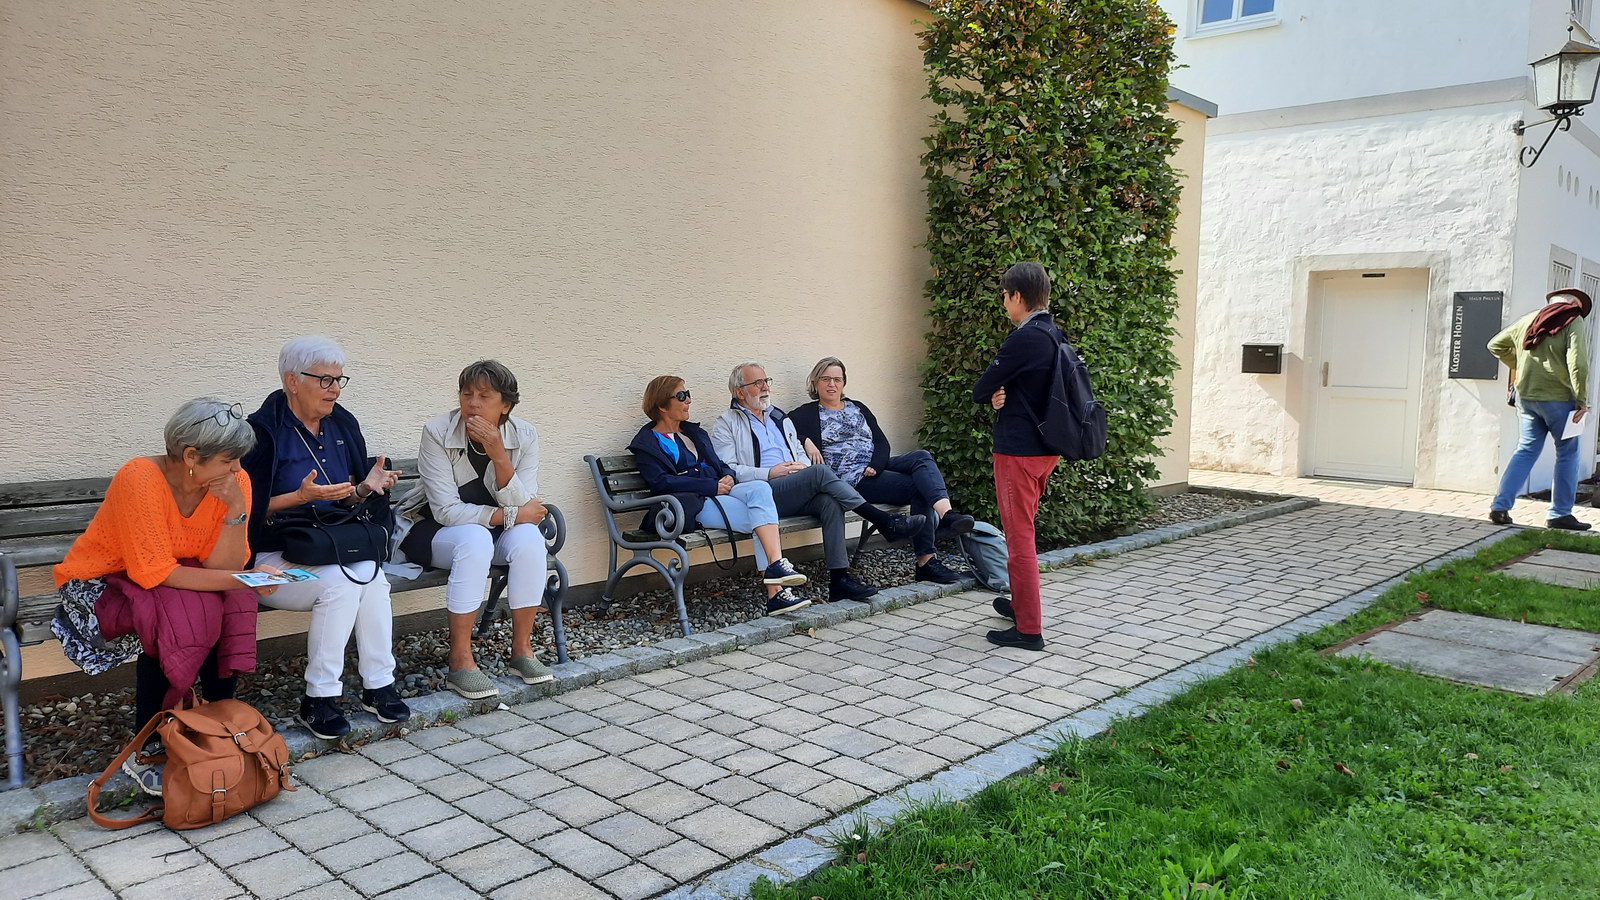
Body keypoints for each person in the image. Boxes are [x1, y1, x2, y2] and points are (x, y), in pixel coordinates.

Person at [53, 397, 281, 795]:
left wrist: (237, 509)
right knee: (182, 612)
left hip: (168, 576)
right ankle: (145, 747)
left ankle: (217, 724)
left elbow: (223, 565)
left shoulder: (234, 484)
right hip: (100, 583)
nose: (237, 469)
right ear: (191, 455)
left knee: (232, 600)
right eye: (229, 460)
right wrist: (241, 579)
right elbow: (153, 572)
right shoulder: (140, 477)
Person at [242, 336, 411, 740]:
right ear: (292, 381)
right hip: (272, 560)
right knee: (341, 585)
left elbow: (346, 498)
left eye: (338, 379)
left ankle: (379, 685)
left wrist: (365, 488)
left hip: (331, 545)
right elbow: (242, 510)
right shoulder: (261, 433)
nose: (335, 389)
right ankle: (319, 698)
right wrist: (298, 498)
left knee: (372, 576)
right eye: (325, 380)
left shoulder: (342, 423)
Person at [396, 360, 553, 699]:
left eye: (484, 396)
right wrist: (511, 516)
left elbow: (525, 503)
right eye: (466, 394)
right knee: (476, 537)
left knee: (529, 539)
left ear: (505, 405)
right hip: (432, 530)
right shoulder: (438, 431)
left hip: (492, 531)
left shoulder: (524, 435)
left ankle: (522, 651)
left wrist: (499, 454)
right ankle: (460, 661)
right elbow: (445, 510)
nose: (472, 404)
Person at [710, 363, 926, 603]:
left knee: (829, 502)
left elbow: (799, 451)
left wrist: (802, 467)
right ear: (739, 392)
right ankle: (883, 521)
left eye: (766, 381)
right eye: (757, 383)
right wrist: (769, 472)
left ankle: (839, 581)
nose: (765, 387)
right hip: (763, 492)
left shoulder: (779, 417)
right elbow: (728, 469)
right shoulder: (726, 423)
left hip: (793, 486)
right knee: (821, 472)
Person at [629, 376, 811, 614]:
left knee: (760, 489)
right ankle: (775, 594)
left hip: (721, 492)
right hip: (692, 503)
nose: (688, 400)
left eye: (688, 394)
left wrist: (728, 476)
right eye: (681, 396)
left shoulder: (694, 433)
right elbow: (661, 482)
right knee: (761, 519)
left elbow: (720, 464)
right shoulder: (647, 443)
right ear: (662, 405)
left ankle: (776, 566)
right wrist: (711, 486)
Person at [790, 357, 976, 584]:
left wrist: (876, 466)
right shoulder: (804, 414)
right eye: (825, 379)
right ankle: (926, 561)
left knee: (922, 456)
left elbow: (881, 442)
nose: (832, 384)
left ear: (844, 382)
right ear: (815, 382)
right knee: (920, 488)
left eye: (837, 379)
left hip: (874, 466)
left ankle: (947, 515)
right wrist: (805, 440)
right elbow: (783, 430)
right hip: (852, 478)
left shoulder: (858, 407)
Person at [972, 262, 1065, 652]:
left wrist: (994, 392)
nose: (1004, 301)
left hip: (1018, 452)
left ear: (1017, 296)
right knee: (1023, 531)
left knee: (1019, 538)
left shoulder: (1024, 338)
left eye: (1005, 295)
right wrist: (1003, 394)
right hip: (1045, 450)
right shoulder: (1054, 334)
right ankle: (1021, 606)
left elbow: (981, 389)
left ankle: (1029, 630)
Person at [1488, 288, 1594, 531]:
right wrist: (1581, 399)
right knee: (1567, 453)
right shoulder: (1572, 320)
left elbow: (1495, 345)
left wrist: (1519, 364)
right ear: (1574, 306)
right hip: (1559, 399)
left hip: (1526, 397)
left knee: (1525, 450)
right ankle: (1559, 514)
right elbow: (1578, 363)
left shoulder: (1529, 319)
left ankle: (1500, 506)